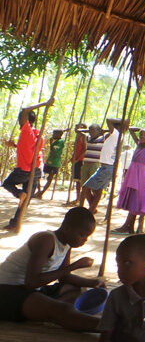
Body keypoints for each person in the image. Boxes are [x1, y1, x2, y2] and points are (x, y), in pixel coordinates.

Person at [0, 207, 104, 331]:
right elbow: (31, 282)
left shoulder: (67, 244)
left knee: (74, 289)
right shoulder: (46, 240)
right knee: (63, 309)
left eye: (87, 236)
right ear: (67, 228)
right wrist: (74, 266)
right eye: (81, 235)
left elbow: (65, 278)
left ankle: (42, 310)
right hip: (8, 290)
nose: (84, 240)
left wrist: (93, 283)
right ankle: (110, 328)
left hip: (31, 289)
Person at [2, 100, 52, 230]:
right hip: (36, 170)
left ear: (25, 120)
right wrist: (14, 145)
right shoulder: (37, 133)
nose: (19, 120)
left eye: (21, 119)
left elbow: (25, 111)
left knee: (7, 184)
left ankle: (19, 194)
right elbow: (30, 149)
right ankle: (15, 223)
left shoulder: (26, 130)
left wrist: (45, 103)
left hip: (25, 169)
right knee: (26, 199)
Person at [111, 128, 145, 235]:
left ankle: (126, 226)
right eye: (141, 134)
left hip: (140, 176)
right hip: (132, 174)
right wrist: (139, 130)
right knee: (133, 200)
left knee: (136, 199)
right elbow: (131, 130)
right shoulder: (138, 144)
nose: (142, 136)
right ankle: (129, 227)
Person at [81, 118, 128, 214]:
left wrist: (121, 121)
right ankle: (92, 209)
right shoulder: (115, 135)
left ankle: (91, 210)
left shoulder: (116, 134)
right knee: (98, 190)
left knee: (86, 188)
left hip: (107, 167)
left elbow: (108, 120)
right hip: (106, 167)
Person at [35, 128, 69, 199]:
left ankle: (41, 192)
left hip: (54, 163)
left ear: (59, 135)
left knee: (49, 178)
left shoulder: (60, 142)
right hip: (49, 162)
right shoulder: (56, 141)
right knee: (38, 175)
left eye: (54, 134)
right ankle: (39, 191)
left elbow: (54, 151)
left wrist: (51, 144)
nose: (53, 135)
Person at [77, 123, 104, 206]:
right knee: (84, 186)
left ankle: (92, 206)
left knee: (94, 187)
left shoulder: (102, 139)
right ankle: (90, 206)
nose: (91, 133)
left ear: (98, 131)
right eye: (90, 131)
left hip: (95, 165)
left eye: (93, 131)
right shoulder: (88, 138)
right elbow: (78, 131)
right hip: (85, 164)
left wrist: (102, 132)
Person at [69, 123, 88, 204]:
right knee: (77, 181)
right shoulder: (78, 137)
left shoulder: (83, 136)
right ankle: (78, 198)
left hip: (81, 160)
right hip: (77, 160)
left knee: (80, 181)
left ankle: (80, 199)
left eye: (78, 127)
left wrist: (77, 159)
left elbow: (84, 149)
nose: (76, 128)